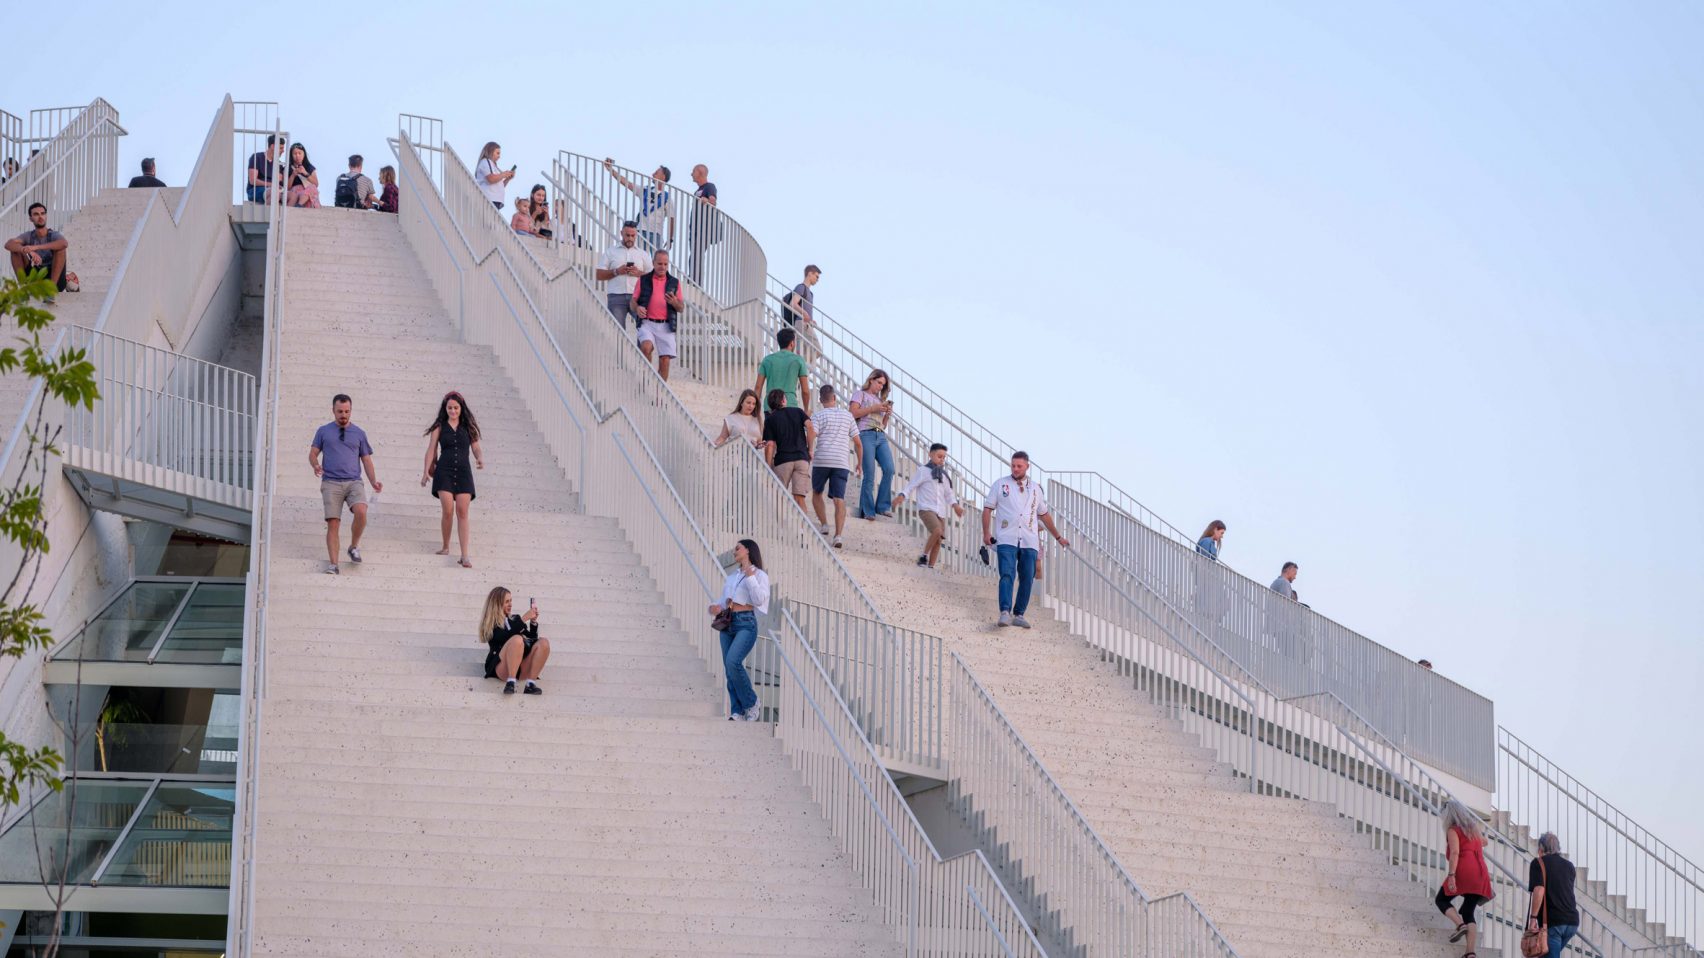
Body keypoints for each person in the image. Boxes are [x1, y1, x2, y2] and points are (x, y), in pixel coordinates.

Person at [981, 452, 1069, 629]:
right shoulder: (1000, 484)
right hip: (1007, 537)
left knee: (1027, 577)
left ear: (1027, 466)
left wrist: (1058, 537)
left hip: (1029, 540)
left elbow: (1044, 515)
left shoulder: (1035, 488)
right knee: (1007, 574)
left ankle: (1019, 613)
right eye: (1013, 465)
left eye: (1019, 466)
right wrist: (986, 532)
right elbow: (987, 509)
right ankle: (1004, 611)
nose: (1015, 469)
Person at [308, 393, 384, 575]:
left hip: (353, 482)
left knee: (361, 511)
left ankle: (353, 546)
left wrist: (373, 481)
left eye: (347, 411)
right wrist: (315, 465)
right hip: (331, 483)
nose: (343, 415)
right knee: (333, 522)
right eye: (340, 411)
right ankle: (334, 565)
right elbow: (312, 453)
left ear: (351, 411)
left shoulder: (359, 433)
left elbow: (366, 460)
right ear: (333, 411)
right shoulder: (323, 431)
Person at [420, 390, 484, 568]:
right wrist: (426, 472)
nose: (453, 411)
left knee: (462, 511)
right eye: (450, 408)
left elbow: (476, 447)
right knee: (448, 509)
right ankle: (445, 546)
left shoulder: (469, 427)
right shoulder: (439, 427)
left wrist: (479, 457)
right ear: (445, 408)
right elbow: (431, 449)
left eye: (456, 408)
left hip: (464, 472)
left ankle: (464, 555)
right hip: (444, 471)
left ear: (461, 408)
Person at [709, 539, 769, 721]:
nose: (734, 551)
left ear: (748, 551)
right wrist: (714, 607)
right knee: (729, 667)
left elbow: (759, 600)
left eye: (737, 548)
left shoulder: (759, 575)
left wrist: (750, 577)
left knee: (733, 661)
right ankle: (738, 711)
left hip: (746, 623)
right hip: (728, 623)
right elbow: (724, 600)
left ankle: (751, 703)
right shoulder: (732, 576)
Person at [1435, 799, 1493, 958]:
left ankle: (1460, 925)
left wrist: (1452, 875)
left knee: (1441, 900)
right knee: (1468, 911)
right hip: (1481, 874)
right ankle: (1470, 953)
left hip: (1464, 871)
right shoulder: (1473, 828)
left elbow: (1454, 853)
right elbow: (1485, 842)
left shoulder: (1453, 830)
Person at [895, 443, 965, 569]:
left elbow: (949, 494)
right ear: (931, 455)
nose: (942, 460)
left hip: (940, 512)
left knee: (938, 540)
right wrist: (902, 495)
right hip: (926, 508)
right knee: (937, 530)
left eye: (944, 457)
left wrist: (956, 507)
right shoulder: (923, 471)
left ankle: (930, 567)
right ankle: (923, 556)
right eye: (939, 456)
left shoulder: (944, 475)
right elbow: (912, 485)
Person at [809, 384, 861, 549]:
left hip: (822, 460)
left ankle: (824, 524)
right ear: (834, 398)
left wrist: (810, 449)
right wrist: (859, 463)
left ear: (820, 400)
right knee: (839, 499)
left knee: (817, 493)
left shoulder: (818, 415)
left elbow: (811, 433)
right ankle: (838, 536)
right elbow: (858, 443)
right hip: (841, 463)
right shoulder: (847, 416)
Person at [478, 586, 550, 695]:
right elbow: (503, 637)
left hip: (520, 667)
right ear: (497, 604)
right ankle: (510, 682)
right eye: (507, 601)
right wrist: (524, 619)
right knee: (517, 639)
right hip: (500, 668)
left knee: (544, 643)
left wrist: (533, 623)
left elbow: (532, 639)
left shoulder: (515, 619)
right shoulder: (491, 623)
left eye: (511, 601)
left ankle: (530, 684)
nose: (510, 604)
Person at [849, 369, 896, 520]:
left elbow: (882, 424)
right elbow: (852, 414)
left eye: (883, 385)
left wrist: (887, 415)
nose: (881, 387)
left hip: (880, 434)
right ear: (871, 380)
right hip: (866, 433)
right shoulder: (860, 394)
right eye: (879, 382)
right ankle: (867, 511)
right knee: (869, 474)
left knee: (889, 469)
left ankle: (882, 506)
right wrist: (872, 409)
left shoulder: (879, 401)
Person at [7, 203, 76, 302]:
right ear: (31, 218)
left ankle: (50, 292)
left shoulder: (53, 235)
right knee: (15, 251)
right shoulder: (28, 236)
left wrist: (35, 247)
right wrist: (26, 250)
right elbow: (9, 244)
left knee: (60, 249)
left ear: (46, 216)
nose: (40, 217)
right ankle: (24, 289)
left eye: (42, 213)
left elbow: (64, 243)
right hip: (37, 278)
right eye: (36, 214)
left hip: (55, 280)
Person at [633, 249, 684, 381]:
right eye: (659, 263)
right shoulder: (643, 279)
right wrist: (637, 308)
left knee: (665, 360)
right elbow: (633, 301)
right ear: (653, 263)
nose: (662, 267)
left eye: (665, 264)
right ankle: (649, 376)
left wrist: (674, 302)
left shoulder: (675, 282)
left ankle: (659, 395)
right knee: (645, 347)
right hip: (647, 323)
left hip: (666, 325)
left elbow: (681, 308)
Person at [1528, 832, 1579, 958]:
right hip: (1572, 922)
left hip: (1553, 923)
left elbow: (1539, 890)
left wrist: (1533, 919)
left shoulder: (1538, 863)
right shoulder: (1569, 866)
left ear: (1540, 849)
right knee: (1545, 954)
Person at [603, 158, 672, 251]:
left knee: (656, 259)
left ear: (663, 177)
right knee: (638, 257)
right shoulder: (645, 190)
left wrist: (670, 238)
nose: (652, 174)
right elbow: (627, 183)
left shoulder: (667, 197)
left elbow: (672, 218)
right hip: (640, 230)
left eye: (656, 173)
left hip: (656, 233)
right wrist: (611, 170)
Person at [595, 220, 652, 327]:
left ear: (636, 235)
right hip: (616, 297)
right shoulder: (611, 251)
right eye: (627, 235)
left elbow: (653, 277)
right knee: (617, 332)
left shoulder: (643, 254)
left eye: (633, 235)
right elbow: (599, 274)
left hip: (638, 297)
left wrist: (639, 273)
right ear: (621, 233)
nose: (630, 238)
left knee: (644, 328)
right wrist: (617, 271)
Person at [762, 389, 811, 510]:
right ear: (784, 400)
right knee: (799, 498)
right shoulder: (798, 411)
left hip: (783, 460)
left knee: (779, 496)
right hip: (802, 459)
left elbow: (770, 445)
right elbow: (811, 427)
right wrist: (810, 449)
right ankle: (802, 528)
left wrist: (768, 466)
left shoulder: (770, 419)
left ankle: (781, 527)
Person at [755, 327, 810, 412]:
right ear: (792, 343)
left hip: (770, 405)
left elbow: (758, 387)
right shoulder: (798, 360)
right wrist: (806, 409)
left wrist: (755, 409)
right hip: (790, 404)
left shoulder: (767, 359)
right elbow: (805, 391)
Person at [688, 163, 718, 283]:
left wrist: (707, 200)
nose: (691, 174)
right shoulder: (698, 190)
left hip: (703, 228)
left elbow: (713, 202)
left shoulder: (709, 186)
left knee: (697, 254)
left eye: (693, 171)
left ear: (700, 172)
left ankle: (695, 282)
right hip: (695, 228)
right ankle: (693, 279)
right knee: (694, 254)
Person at [475, 142, 515, 210]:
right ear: (490, 151)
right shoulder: (486, 161)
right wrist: (504, 174)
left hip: (495, 200)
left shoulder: (493, 165)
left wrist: (508, 179)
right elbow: (491, 179)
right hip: (489, 199)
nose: (499, 156)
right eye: (497, 153)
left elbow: (499, 185)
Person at [246, 134, 283, 203]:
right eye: (281, 148)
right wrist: (271, 184)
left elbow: (280, 182)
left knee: (292, 196)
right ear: (273, 146)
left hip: (272, 190)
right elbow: (252, 181)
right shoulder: (257, 157)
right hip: (255, 190)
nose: (283, 151)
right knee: (275, 193)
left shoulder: (278, 163)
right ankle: (269, 213)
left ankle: (283, 213)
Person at [283, 143, 319, 208]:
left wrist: (305, 173)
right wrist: (293, 175)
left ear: (304, 154)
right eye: (295, 154)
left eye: (299, 153)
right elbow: (287, 188)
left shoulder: (309, 167)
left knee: (312, 188)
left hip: (307, 193)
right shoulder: (287, 168)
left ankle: (299, 205)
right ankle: (299, 205)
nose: (297, 156)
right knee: (308, 194)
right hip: (296, 193)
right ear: (291, 155)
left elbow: (316, 184)